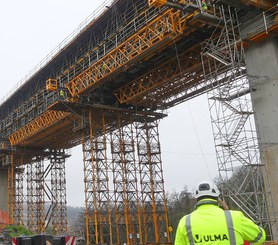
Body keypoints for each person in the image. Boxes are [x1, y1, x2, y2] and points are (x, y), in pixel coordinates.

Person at [175, 181, 266, 245]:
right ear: (218, 198)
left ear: (196, 199)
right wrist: (227, 211)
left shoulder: (185, 222)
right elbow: (260, 237)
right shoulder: (235, 217)